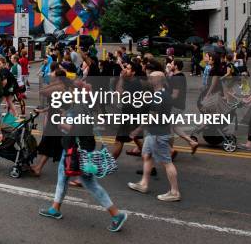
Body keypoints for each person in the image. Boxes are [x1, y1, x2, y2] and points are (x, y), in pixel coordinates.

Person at [38, 97, 128, 232]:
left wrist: (61, 124)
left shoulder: (77, 109)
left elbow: (77, 129)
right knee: (62, 178)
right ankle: (55, 208)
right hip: (74, 149)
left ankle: (116, 214)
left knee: (90, 184)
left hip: (77, 152)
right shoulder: (81, 107)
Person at [128, 71, 181, 202]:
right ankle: (144, 184)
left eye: (151, 77)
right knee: (147, 156)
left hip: (157, 134)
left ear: (157, 80)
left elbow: (152, 116)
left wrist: (137, 130)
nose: (149, 79)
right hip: (154, 133)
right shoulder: (163, 94)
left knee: (167, 162)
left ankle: (174, 192)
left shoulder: (159, 96)